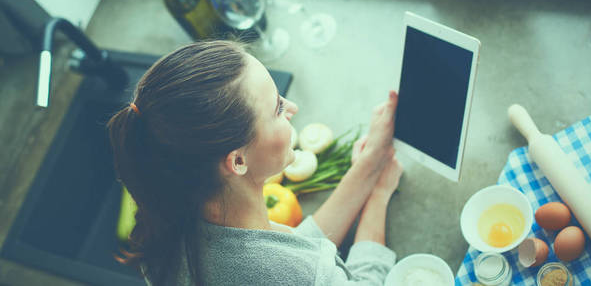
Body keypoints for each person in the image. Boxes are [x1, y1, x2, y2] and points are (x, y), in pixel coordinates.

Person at [108, 40, 403, 286]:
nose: (293, 107)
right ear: (237, 160)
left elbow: (293, 252)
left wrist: (369, 165)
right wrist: (378, 196)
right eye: (277, 108)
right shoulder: (287, 274)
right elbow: (310, 273)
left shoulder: (178, 223)